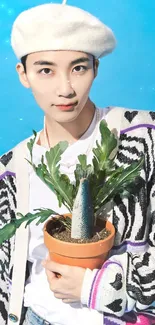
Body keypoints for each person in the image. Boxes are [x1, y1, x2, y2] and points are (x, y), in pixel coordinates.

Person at [0, 1, 155, 325]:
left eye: (79, 68)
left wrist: (97, 287)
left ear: (95, 68)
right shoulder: (11, 169)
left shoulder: (144, 139)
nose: (65, 88)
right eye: (46, 70)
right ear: (23, 74)